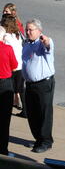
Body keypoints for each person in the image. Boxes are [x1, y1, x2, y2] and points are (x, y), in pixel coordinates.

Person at [22, 19, 54, 153]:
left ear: (39, 31)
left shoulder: (42, 43)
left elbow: (48, 46)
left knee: (44, 112)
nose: (28, 32)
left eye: (31, 30)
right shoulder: (26, 44)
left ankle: (46, 141)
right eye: (27, 30)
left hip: (43, 84)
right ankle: (38, 139)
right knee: (32, 113)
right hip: (29, 84)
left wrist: (46, 41)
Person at [1, 15, 26, 118]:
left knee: (10, 91)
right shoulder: (18, 34)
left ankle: (6, 110)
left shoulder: (5, 36)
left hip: (12, 67)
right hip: (21, 66)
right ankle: (25, 110)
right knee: (20, 89)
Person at [0, 26, 18, 156]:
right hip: (5, 84)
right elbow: (15, 65)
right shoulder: (7, 49)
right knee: (4, 120)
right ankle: (3, 150)